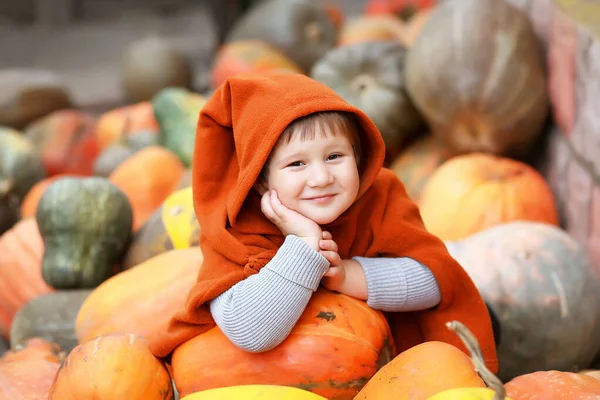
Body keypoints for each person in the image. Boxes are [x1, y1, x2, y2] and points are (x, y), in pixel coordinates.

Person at [147, 71, 498, 373]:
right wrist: (303, 245)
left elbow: (437, 281)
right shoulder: (238, 228)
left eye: (334, 156)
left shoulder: (378, 197)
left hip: (397, 374)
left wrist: (348, 275)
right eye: (296, 164)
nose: (320, 177)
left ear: (358, 156)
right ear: (260, 180)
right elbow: (250, 331)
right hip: (294, 383)